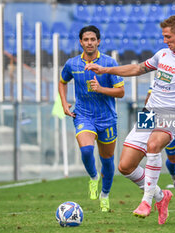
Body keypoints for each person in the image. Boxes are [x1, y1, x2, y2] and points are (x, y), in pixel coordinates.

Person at [85, 16, 175, 224]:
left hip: (172, 115)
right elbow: (137, 69)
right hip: (149, 112)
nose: (165, 40)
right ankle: (161, 195)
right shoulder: (162, 55)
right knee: (125, 166)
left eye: (168, 36)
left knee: (153, 145)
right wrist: (104, 70)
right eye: (163, 36)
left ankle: (147, 201)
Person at [58, 25, 124, 212]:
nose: (89, 43)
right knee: (87, 150)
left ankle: (105, 194)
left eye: (92, 39)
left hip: (107, 119)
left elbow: (121, 92)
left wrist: (100, 89)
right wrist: (64, 103)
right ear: (81, 42)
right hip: (84, 115)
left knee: (108, 160)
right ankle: (94, 177)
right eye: (86, 40)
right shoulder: (72, 64)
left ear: (98, 41)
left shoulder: (109, 63)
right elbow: (62, 82)